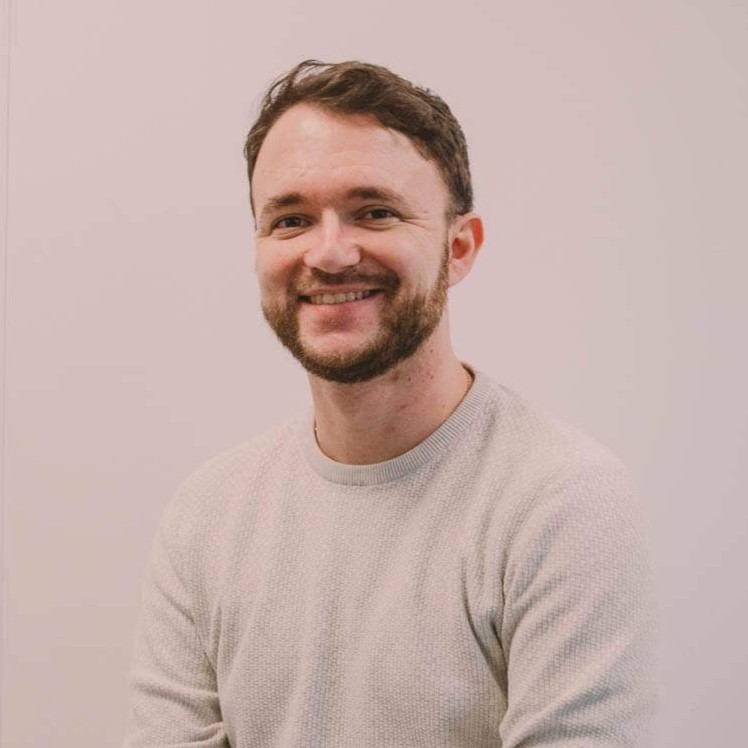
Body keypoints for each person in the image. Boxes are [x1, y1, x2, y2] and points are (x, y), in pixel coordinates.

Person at [123, 60, 657, 747]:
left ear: (458, 247)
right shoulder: (206, 518)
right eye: (290, 219)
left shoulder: (564, 505)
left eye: (375, 211)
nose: (331, 252)